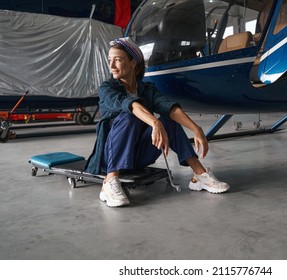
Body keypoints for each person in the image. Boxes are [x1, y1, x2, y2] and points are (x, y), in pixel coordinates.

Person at [85, 37, 230, 207]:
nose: (111, 66)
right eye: (110, 60)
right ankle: (109, 182)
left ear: (133, 63)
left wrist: (196, 129)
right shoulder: (107, 88)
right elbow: (130, 106)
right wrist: (154, 122)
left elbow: (169, 108)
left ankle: (199, 175)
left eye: (117, 60)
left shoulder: (146, 89)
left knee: (168, 120)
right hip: (108, 158)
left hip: (136, 158)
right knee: (129, 116)